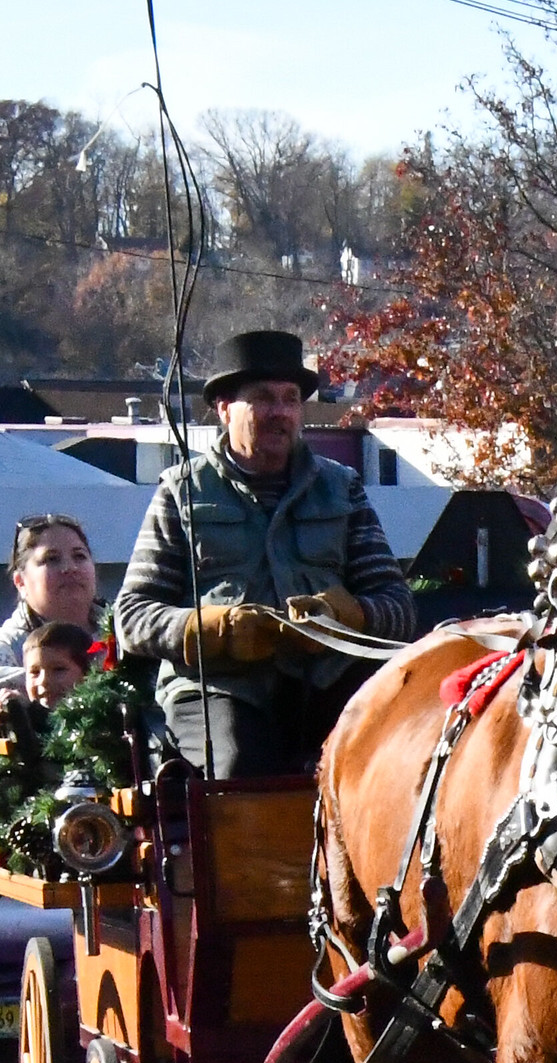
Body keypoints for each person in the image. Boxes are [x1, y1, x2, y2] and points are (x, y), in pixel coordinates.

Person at [113, 328, 417, 777]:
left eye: (290, 399)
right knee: (237, 770)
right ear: (223, 409)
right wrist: (212, 631)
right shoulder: (181, 493)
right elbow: (133, 617)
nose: (280, 413)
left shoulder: (342, 488)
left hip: (329, 683)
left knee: (388, 769)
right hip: (219, 691)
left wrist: (349, 616)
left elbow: (399, 608)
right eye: (263, 398)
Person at [0, 515, 102, 724]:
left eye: (79, 556)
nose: (70, 568)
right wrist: (48, 679)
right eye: (51, 559)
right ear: (20, 582)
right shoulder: (9, 643)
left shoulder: (124, 632)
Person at [21, 623, 91, 710]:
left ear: (87, 674)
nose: (43, 680)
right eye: (35, 672)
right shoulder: (27, 720)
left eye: (58, 669)